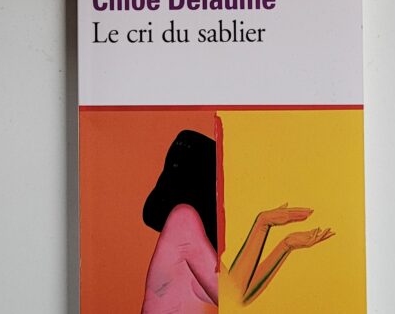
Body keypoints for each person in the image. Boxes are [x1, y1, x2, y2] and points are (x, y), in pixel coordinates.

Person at [141, 131, 334, 312]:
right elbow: (232, 297)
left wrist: (286, 245)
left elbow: (241, 293)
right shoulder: (183, 219)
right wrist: (262, 223)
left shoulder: (191, 231)